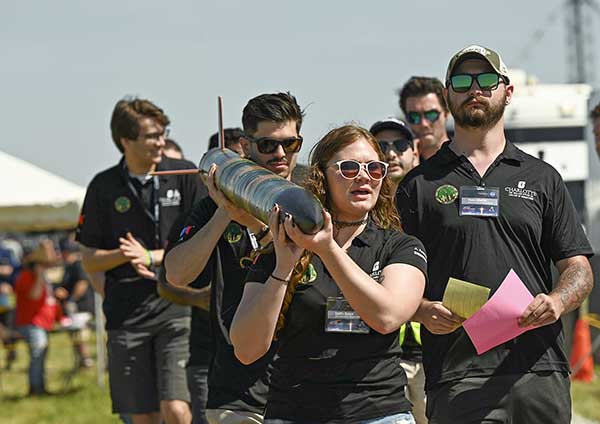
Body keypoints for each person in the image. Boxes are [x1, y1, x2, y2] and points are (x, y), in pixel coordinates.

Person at [397, 45, 594, 424]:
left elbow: (579, 269)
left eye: (487, 79)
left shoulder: (542, 178)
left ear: (507, 91)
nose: (475, 88)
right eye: (462, 80)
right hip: (457, 376)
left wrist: (556, 301)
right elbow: (390, 277)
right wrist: (421, 310)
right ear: (448, 94)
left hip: (538, 372)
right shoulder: (418, 186)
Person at [230, 124, 427, 424]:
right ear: (322, 177)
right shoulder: (285, 245)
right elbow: (246, 349)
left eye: (374, 168)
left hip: (377, 412)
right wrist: (283, 268)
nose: (364, 176)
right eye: (349, 168)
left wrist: (327, 250)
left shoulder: (398, 246)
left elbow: (387, 316)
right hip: (294, 412)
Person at [165, 92, 304, 424]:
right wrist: (224, 214)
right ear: (247, 144)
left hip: (307, 386)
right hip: (237, 390)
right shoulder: (216, 201)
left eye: (291, 143)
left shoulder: (313, 193)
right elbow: (176, 274)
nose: (281, 154)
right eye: (269, 145)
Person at [77, 97, 207, 424]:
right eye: (152, 135)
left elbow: (202, 242)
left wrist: (152, 256)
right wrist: (123, 255)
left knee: (177, 410)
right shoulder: (103, 186)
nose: (161, 141)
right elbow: (89, 260)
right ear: (126, 140)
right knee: (142, 417)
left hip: (176, 308)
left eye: (163, 133)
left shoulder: (184, 174)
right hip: (125, 314)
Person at [369, 118, 426, 424]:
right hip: (377, 356)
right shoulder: (358, 210)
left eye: (400, 145)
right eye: (382, 147)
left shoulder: (431, 204)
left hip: (430, 349)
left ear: (415, 152)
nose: (391, 153)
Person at [14, 239, 61, 395]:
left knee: (42, 353)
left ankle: (40, 386)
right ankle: (36, 389)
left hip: (43, 322)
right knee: (38, 352)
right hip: (31, 322)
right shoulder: (25, 276)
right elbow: (33, 296)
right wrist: (40, 276)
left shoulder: (43, 276)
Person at [54, 237, 95, 368]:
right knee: (75, 335)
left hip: (81, 306)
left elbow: (82, 283)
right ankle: (81, 360)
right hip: (72, 307)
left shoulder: (78, 264)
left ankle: (86, 359)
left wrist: (72, 299)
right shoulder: (68, 267)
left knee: (80, 334)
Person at [398, 77, 449, 161]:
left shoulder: (468, 156)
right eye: (414, 117)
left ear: (447, 113)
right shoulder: (400, 164)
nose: (424, 124)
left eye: (431, 115)